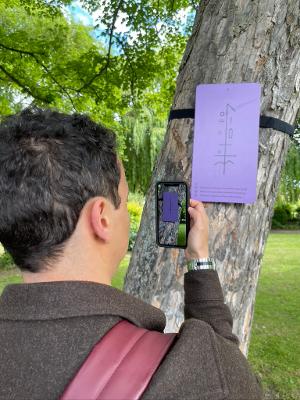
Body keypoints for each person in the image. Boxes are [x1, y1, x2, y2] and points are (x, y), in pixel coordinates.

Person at [0, 107, 263, 400]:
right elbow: (230, 369)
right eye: (123, 203)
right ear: (101, 219)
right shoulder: (194, 375)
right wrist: (199, 260)